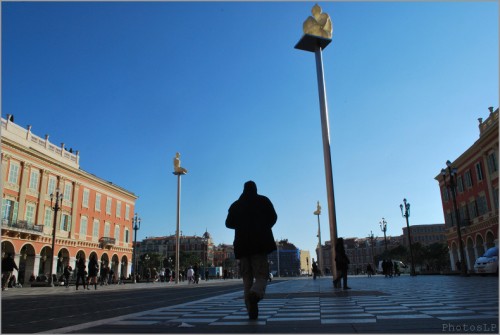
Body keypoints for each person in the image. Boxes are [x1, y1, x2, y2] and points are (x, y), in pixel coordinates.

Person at [226, 180, 278, 320]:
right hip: (259, 245)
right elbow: (274, 217)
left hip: (242, 246)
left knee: (246, 279)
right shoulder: (263, 201)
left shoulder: (236, 205)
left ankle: (250, 309)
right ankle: (255, 293)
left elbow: (228, 223)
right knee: (261, 275)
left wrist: (241, 224)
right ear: (255, 189)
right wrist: (264, 227)